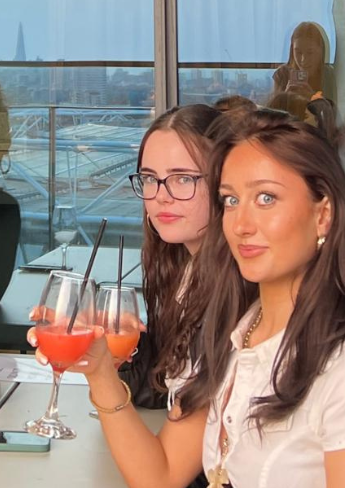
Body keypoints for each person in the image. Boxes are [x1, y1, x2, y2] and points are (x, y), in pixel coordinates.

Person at [34, 109, 345, 487]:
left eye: (266, 198)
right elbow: (161, 474)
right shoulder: (237, 339)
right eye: (231, 200)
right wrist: (100, 369)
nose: (241, 224)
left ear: (323, 215)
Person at [122, 104, 220, 488]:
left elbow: (163, 478)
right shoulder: (182, 271)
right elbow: (162, 392)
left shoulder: (235, 298)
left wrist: (99, 378)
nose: (160, 196)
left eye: (182, 179)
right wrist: (126, 349)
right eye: (150, 178)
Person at [272, 21, 336, 100]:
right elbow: (273, 111)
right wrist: (285, 98)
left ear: (320, 52)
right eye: (298, 52)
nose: (303, 60)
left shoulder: (328, 75)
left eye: (310, 53)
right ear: (292, 51)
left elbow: (333, 111)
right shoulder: (282, 74)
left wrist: (312, 97)